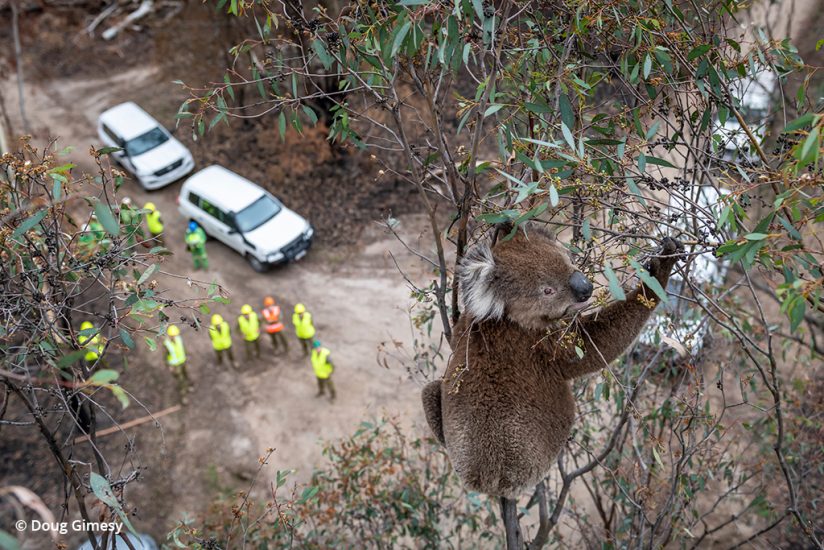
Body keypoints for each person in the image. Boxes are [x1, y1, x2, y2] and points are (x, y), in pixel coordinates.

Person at [163, 325, 191, 404]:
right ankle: (184, 396)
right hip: (175, 366)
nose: (175, 336)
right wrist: (169, 366)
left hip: (183, 362)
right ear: (169, 335)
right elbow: (164, 357)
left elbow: (183, 348)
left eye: (176, 335)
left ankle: (188, 386)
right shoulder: (166, 344)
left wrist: (186, 355)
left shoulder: (179, 339)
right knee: (180, 380)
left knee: (186, 374)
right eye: (173, 336)